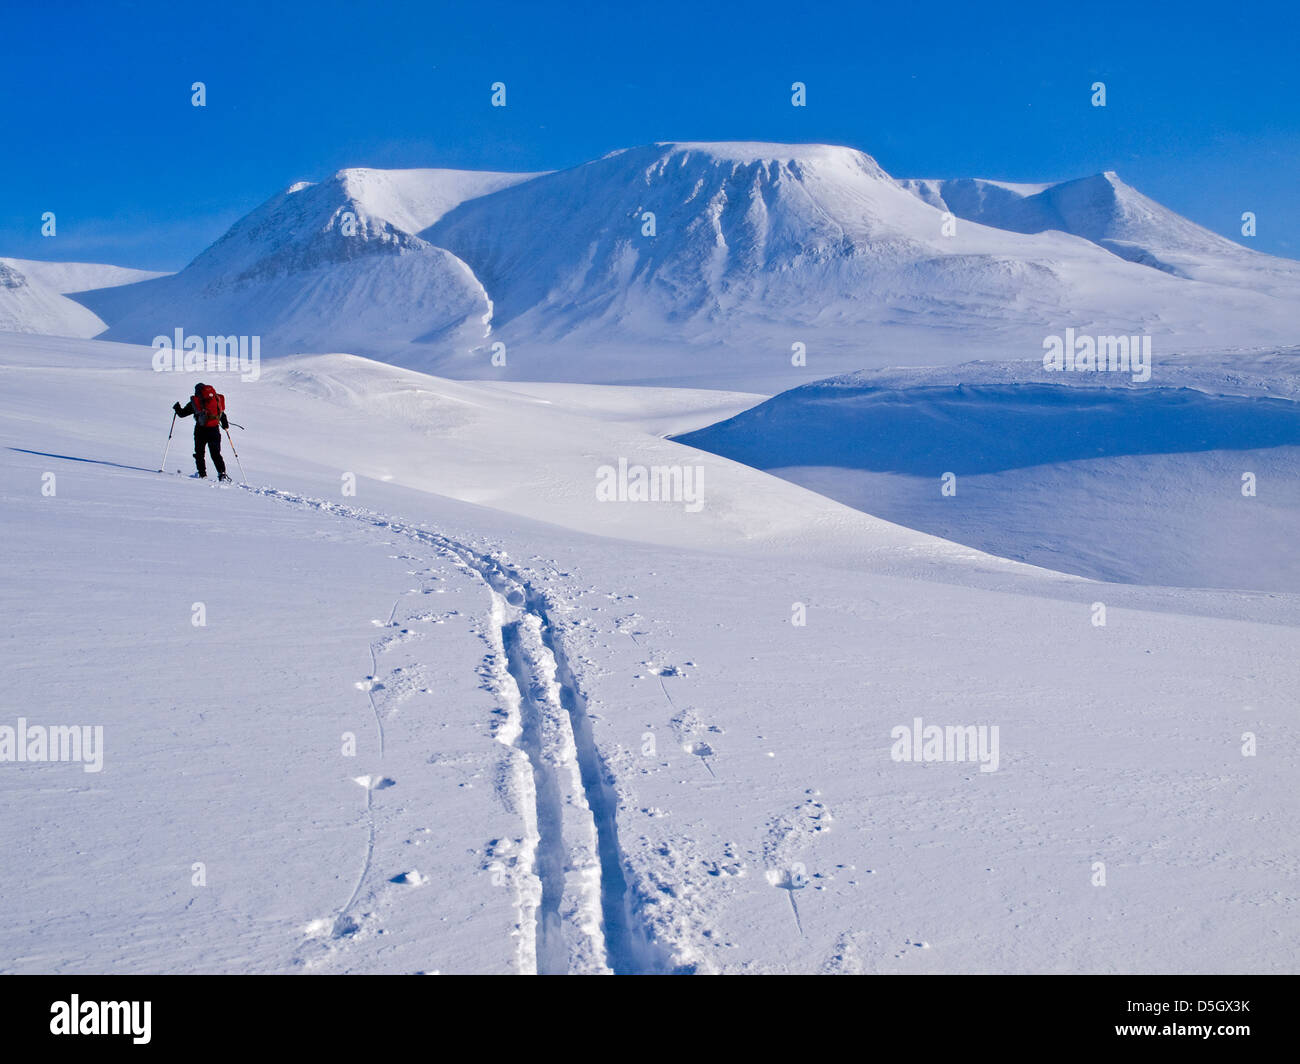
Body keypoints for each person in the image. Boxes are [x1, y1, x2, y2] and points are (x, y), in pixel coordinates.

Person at [173, 383, 231, 481]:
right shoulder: (216, 400)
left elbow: (182, 414)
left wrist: (177, 408)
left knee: (199, 453)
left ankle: (202, 474)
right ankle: (222, 474)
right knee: (215, 453)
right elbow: (222, 414)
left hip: (201, 430)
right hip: (214, 430)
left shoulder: (196, 402)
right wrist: (225, 425)